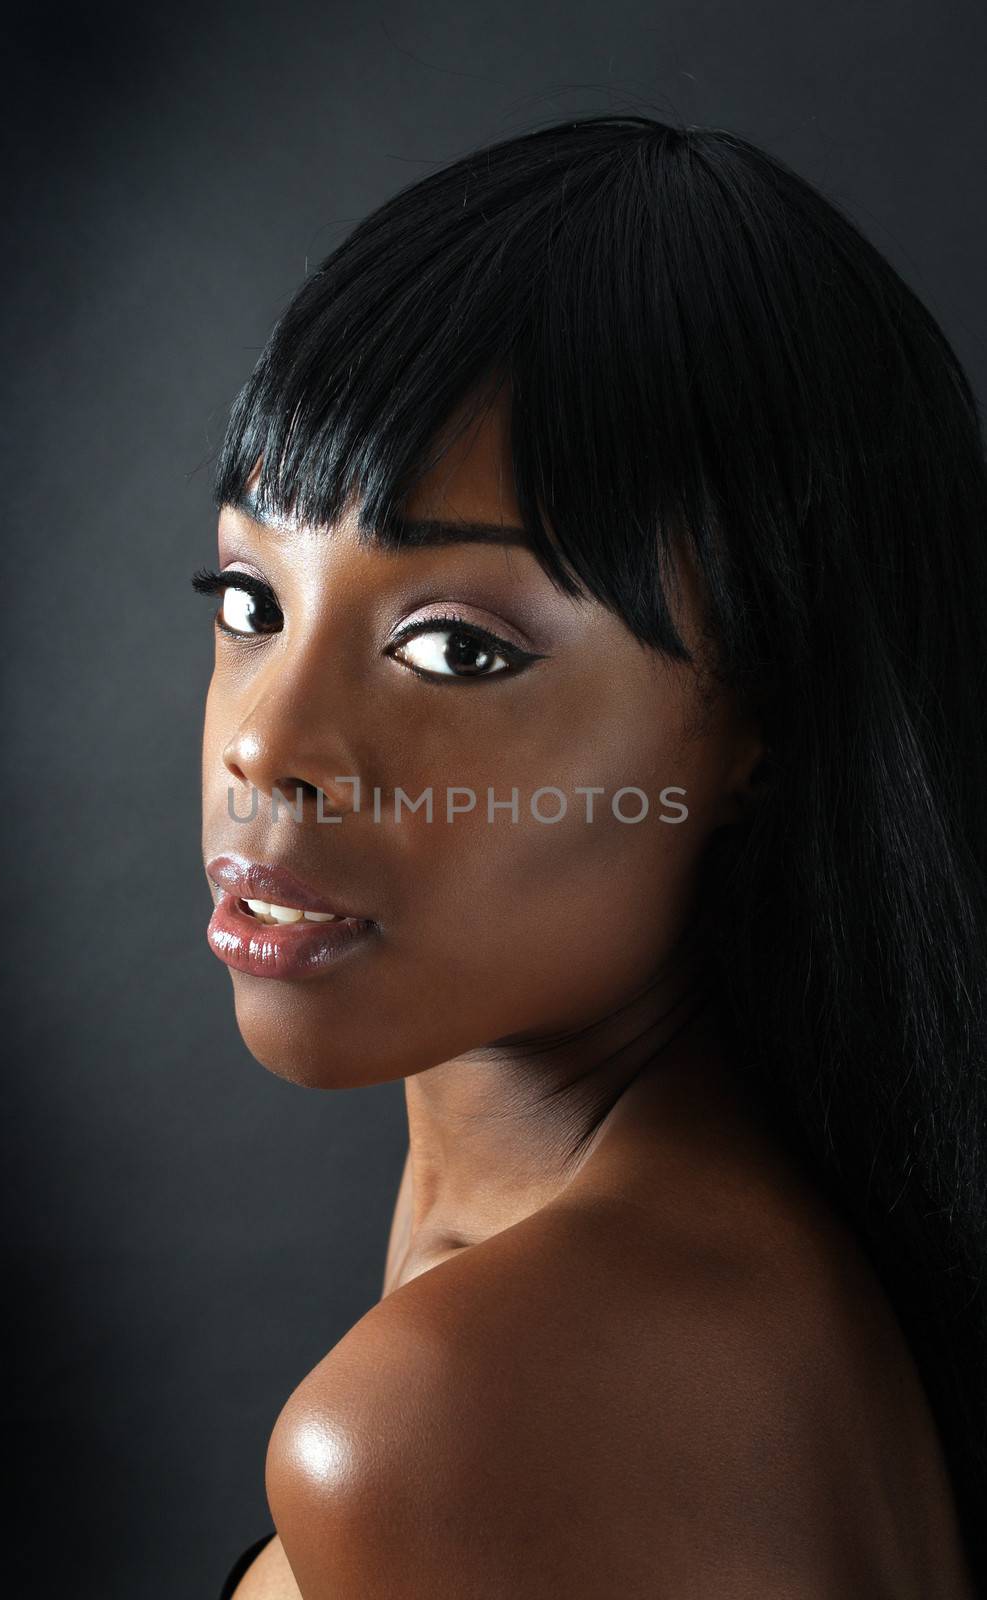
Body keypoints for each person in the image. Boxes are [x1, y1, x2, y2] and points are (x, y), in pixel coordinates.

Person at [194, 112, 987, 1597]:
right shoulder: (680, 1250)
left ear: (763, 726)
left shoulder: (463, 1410)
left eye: (451, 645)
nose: (267, 744)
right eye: (250, 602)